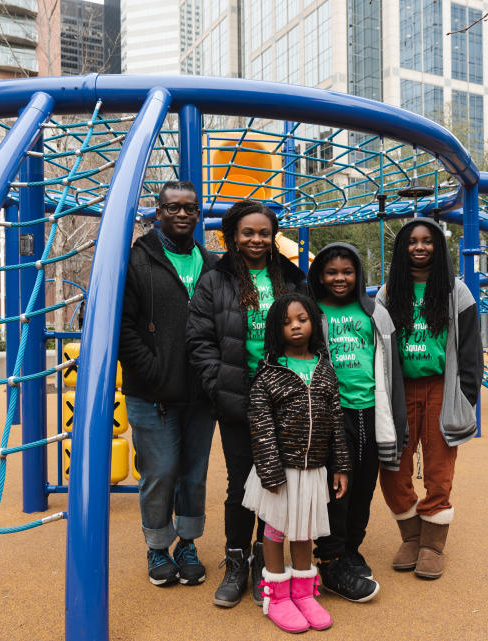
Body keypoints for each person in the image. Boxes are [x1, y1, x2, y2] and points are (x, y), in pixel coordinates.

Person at [187, 199, 308, 607]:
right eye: (248, 232)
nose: (257, 240)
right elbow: (200, 340)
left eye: (264, 233)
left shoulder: (290, 279)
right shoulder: (215, 280)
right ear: (233, 236)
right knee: (240, 482)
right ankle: (236, 559)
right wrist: (219, 386)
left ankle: (264, 560)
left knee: (276, 481)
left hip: (284, 398)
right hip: (238, 398)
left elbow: (310, 332)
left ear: (273, 236)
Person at [118, 180, 217, 587]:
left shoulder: (211, 263)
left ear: (198, 215)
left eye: (189, 208)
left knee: (194, 473)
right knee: (159, 470)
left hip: (201, 392)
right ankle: (158, 545)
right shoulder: (137, 261)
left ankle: (188, 543)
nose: (181, 214)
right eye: (172, 207)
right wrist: (154, 371)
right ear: (157, 212)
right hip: (153, 392)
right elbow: (122, 328)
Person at [376, 219, 483, 580]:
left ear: (438, 247)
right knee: (393, 465)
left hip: (441, 386)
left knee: (439, 467)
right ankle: (412, 535)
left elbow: (471, 350)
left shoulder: (457, 292)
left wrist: (466, 396)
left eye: (427, 241)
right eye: (412, 241)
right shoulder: (389, 293)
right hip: (399, 389)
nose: (419, 247)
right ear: (401, 248)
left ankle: (433, 543)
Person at [243, 293, 350, 633]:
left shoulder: (324, 368)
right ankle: (277, 594)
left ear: (312, 323)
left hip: (315, 469)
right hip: (279, 470)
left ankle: (303, 594)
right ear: (276, 329)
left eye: (302, 319)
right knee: (274, 530)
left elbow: (335, 419)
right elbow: (260, 426)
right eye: (287, 322)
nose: (295, 326)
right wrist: (270, 471)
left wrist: (341, 466)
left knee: (303, 529)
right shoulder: (269, 374)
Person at [306, 242, 407, 602]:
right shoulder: (310, 311)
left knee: (364, 485)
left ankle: (351, 548)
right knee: (337, 489)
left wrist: (397, 418)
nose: (339, 278)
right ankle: (330, 555)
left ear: (358, 275)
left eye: (347, 272)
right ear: (319, 275)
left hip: (369, 410)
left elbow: (391, 367)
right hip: (332, 413)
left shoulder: (375, 312)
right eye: (331, 272)